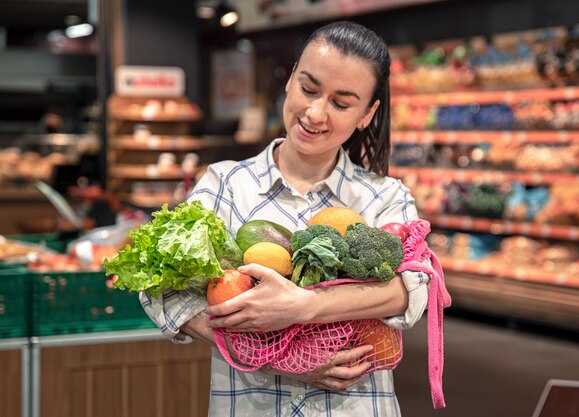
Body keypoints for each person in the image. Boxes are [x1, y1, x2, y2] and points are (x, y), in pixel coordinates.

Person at [141, 21, 431, 416]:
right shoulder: (225, 184)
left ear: (367, 114)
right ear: (291, 78)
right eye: (308, 89)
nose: (314, 113)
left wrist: (303, 307)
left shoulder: (385, 196)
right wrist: (281, 358)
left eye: (341, 104)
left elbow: (411, 290)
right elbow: (162, 288)